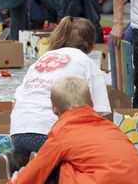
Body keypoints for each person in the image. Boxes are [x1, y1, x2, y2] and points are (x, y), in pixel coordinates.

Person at [9, 76, 138, 184]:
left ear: (54, 109)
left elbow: (38, 169)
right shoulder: (112, 128)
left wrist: (17, 180)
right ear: (91, 104)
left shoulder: (61, 134)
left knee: (60, 167)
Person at [8, 17, 111, 159]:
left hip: (18, 133)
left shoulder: (43, 58)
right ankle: (48, 166)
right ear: (91, 46)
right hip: (50, 135)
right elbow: (99, 111)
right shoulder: (86, 63)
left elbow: (16, 100)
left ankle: (24, 160)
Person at [28, 0, 106, 43]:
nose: (99, 2)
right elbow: (93, 19)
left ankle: (35, 43)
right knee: (67, 25)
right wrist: (100, 43)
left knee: (39, 21)